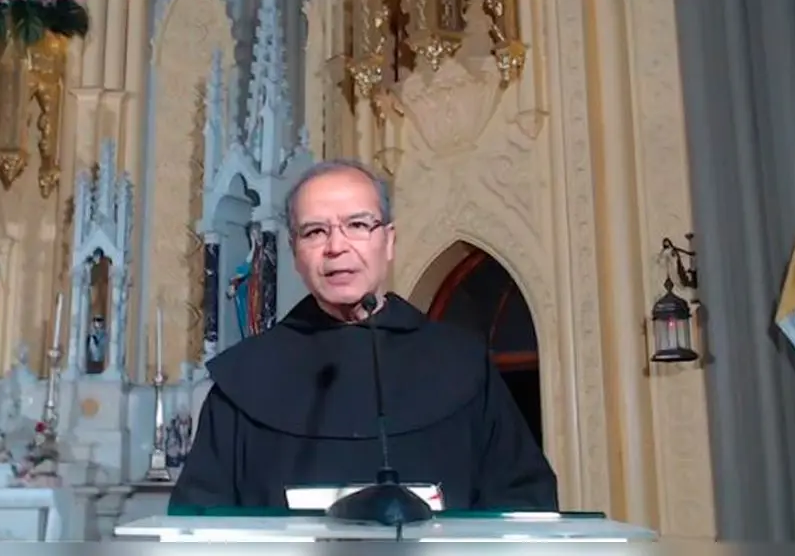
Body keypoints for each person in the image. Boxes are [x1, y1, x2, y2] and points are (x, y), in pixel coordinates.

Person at [169, 159, 558, 514]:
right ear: (294, 252)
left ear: (388, 241)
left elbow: (524, 499)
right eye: (315, 232)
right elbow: (201, 518)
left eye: (357, 225)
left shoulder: (463, 365)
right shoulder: (246, 378)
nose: (337, 247)